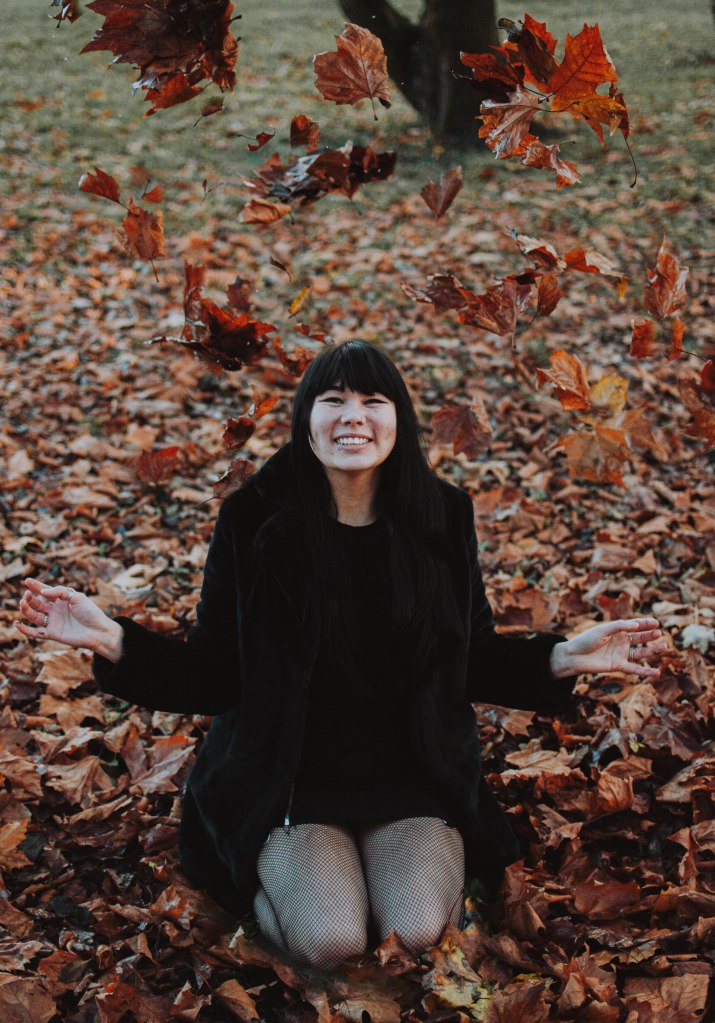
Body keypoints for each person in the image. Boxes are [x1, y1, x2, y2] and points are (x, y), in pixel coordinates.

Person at [15, 339, 667, 972]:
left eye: (373, 401)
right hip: (289, 780)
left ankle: (406, 880)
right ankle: (276, 898)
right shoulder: (253, 520)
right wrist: (113, 640)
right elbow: (213, 674)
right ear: (306, 420)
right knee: (332, 941)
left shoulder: (441, 515)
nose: (353, 416)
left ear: (399, 420)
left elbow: (470, 660)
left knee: (414, 932)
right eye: (332, 400)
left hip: (411, 775)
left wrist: (562, 657)